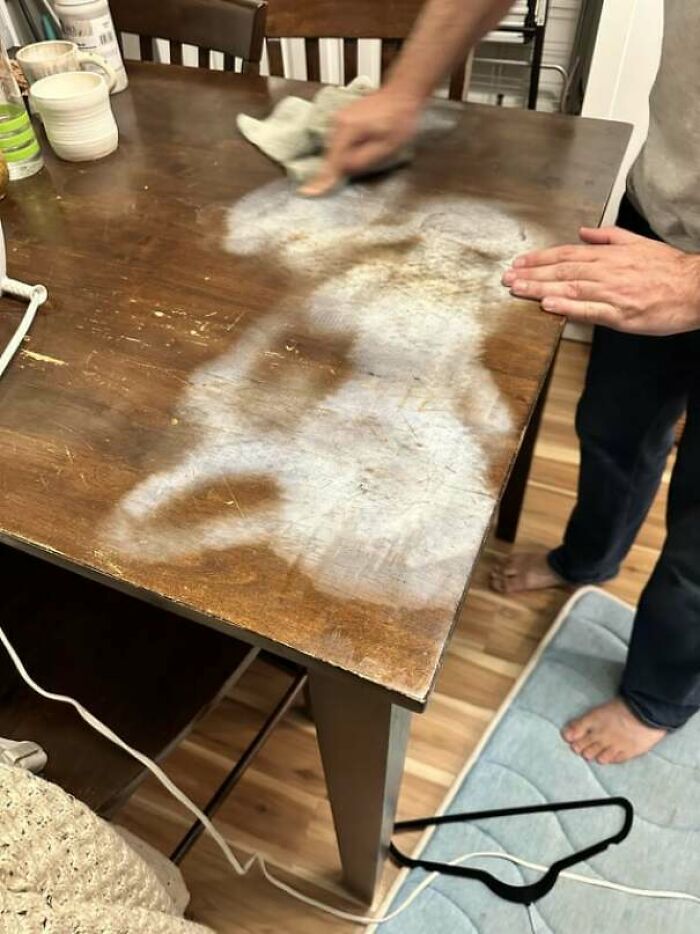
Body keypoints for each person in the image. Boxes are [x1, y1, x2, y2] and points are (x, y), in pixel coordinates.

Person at [304, 0, 700, 765]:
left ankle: (659, 697)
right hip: (661, 221)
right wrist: (403, 88)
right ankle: (586, 559)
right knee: (614, 426)